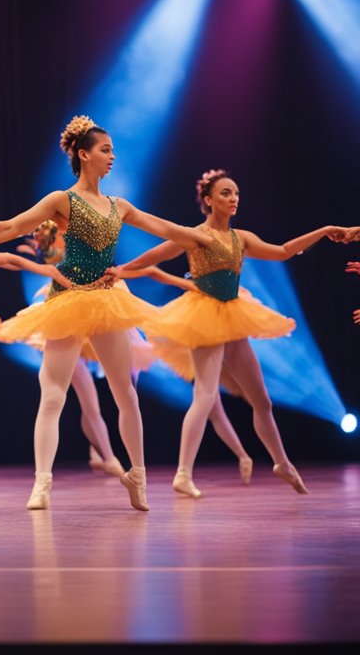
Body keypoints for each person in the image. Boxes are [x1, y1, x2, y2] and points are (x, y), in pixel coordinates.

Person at [0, 115, 212, 511]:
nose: (112, 156)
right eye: (105, 150)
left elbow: (166, 229)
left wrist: (205, 236)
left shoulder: (119, 206)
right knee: (52, 395)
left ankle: (137, 475)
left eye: (113, 150)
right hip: (67, 301)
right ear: (84, 155)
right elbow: (10, 227)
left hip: (106, 301)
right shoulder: (61, 201)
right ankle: (42, 483)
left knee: (125, 393)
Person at [110, 169, 346, 497]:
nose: (233, 198)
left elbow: (283, 251)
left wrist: (324, 230)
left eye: (235, 193)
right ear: (208, 200)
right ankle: (183, 473)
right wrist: (118, 271)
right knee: (206, 395)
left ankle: (282, 463)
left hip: (233, 316)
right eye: (225, 193)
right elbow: (154, 257)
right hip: (203, 317)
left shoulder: (241, 238)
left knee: (262, 400)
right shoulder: (195, 235)